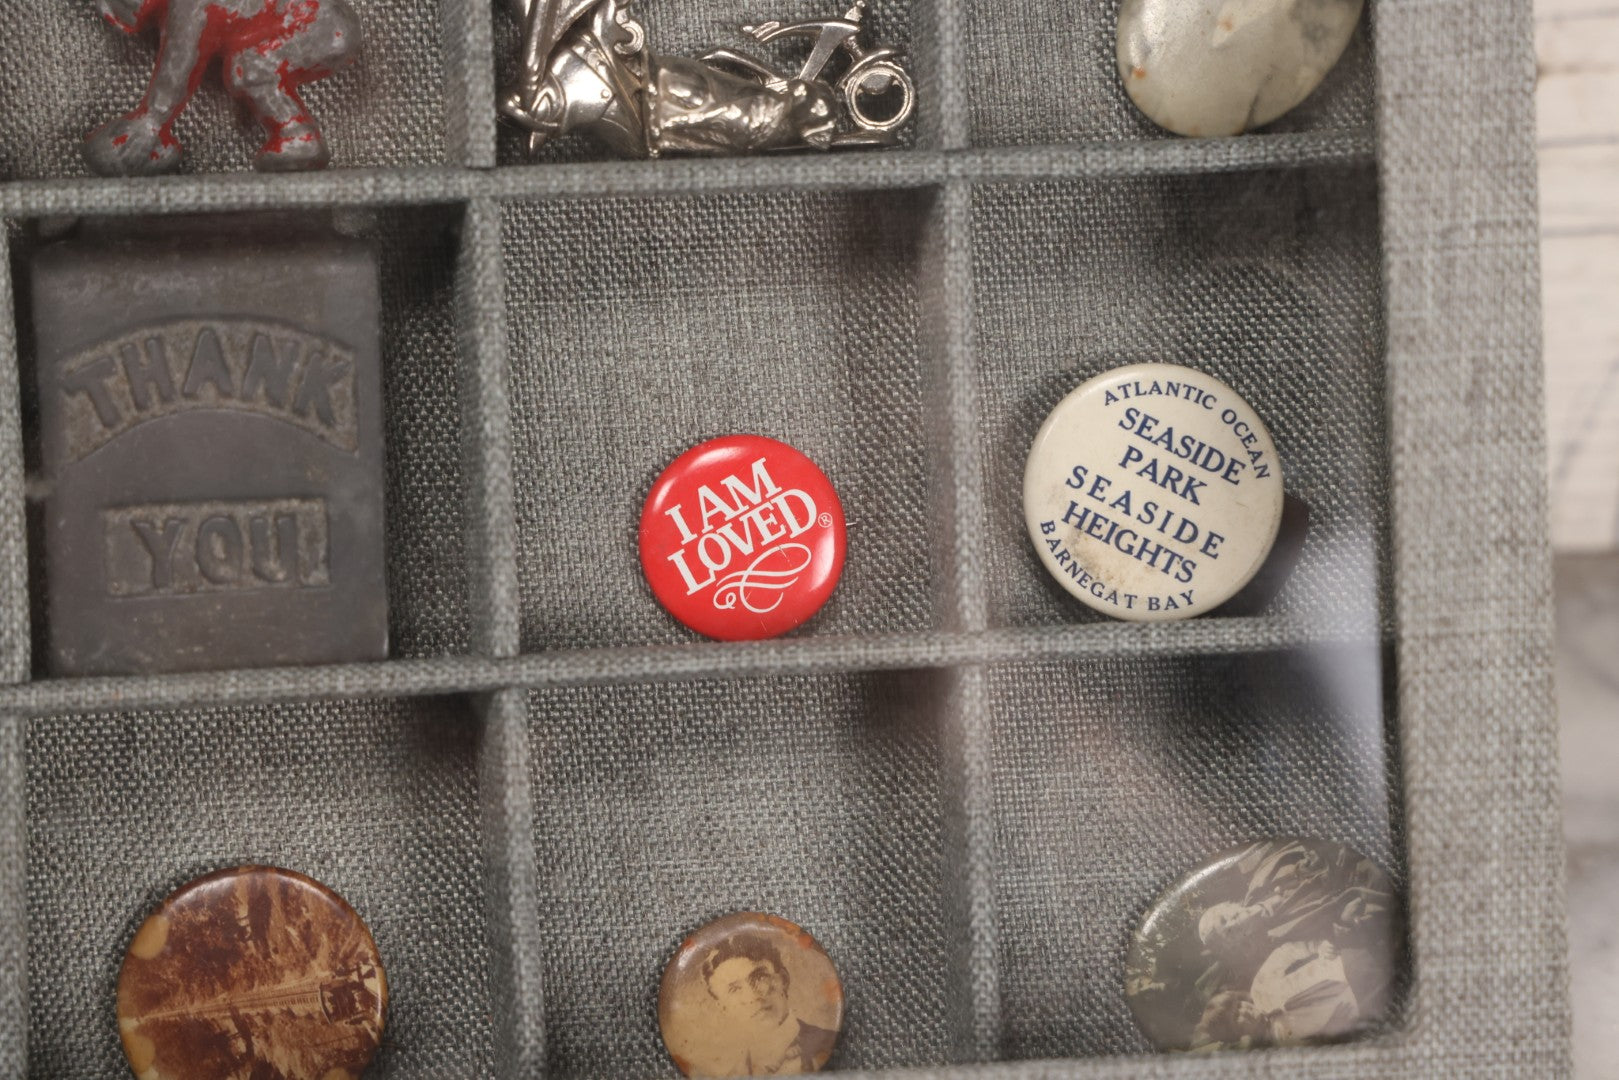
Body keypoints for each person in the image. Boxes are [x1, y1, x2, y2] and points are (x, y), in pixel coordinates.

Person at [86, 0, 361, 175]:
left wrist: (151, 124)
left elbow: (180, 63)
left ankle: (299, 138)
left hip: (320, 28)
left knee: (248, 68)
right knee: (246, 66)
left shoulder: (189, 6)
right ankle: (296, 136)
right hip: (322, 24)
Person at [699, 935, 837, 1076]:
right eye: (734, 989)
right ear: (723, 1007)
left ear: (783, 979)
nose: (752, 997)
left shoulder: (833, 1044)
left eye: (759, 977)